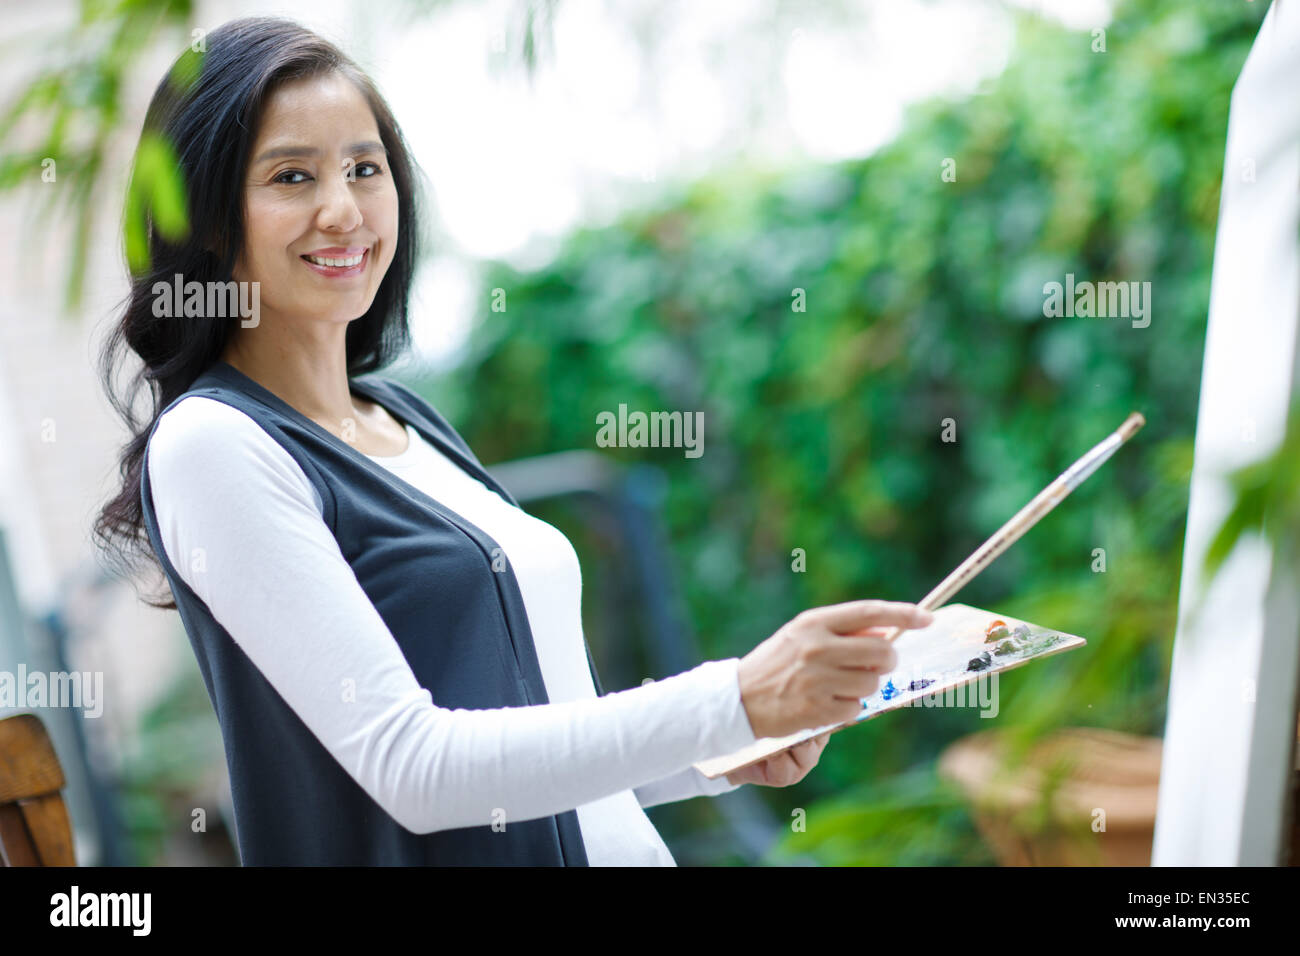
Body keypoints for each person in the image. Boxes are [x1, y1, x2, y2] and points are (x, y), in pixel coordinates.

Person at [93, 16, 932, 866]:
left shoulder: (407, 421)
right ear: (206, 218)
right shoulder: (213, 445)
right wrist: (733, 696)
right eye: (291, 176)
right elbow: (414, 769)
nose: (342, 210)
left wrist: (723, 748)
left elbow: (528, 765)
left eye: (364, 168)